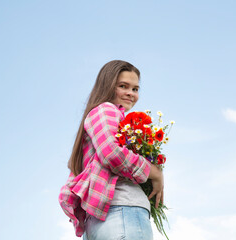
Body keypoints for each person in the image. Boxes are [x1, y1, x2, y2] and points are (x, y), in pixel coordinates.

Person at [59, 60, 164, 240]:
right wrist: (154, 173)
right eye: (123, 86)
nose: (130, 93)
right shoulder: (107, 109)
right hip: (122, 211)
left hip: (103, 218)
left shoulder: (101, 116)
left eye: (135, 89)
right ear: (108, 85)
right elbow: (112, 153)